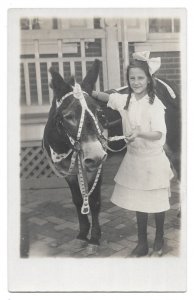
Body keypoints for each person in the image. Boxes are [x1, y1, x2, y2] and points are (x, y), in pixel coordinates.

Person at [92, 51, 174, 257]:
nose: (136, 82)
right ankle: (142, 243)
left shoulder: (154, 104)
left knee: (156, 202)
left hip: (152, 160)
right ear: (127, 80)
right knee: (139, 202)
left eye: (140, 78)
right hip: (135, 159)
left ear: (148, 79)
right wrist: (86, 93)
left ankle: (159, 238)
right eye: (132, 78)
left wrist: (139, 133)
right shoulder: (124, 100)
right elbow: (107, 97)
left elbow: (158, 134)